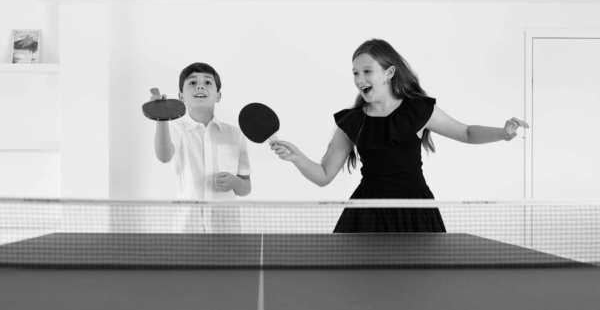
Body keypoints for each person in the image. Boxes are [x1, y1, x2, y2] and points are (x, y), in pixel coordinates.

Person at [270, 39, 528, 233]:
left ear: (389, 73)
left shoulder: (417, 111)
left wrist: (502, 134)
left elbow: (467, 132)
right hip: (367, 213)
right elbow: (324, 176)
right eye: (355, 73)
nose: (360, 79)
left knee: (420, 289)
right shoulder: (353, 122)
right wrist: (297, 157)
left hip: (416, 210)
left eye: (367, 71)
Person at [151, 62, 251, 233]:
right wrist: (161, 118)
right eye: (192, 82)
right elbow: (164, 156)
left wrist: (235, 182)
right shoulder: (175, 130)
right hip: (188, 230)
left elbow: (246, 188)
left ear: (218, 95)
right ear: (181, 96)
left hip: (227, 232)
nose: (200, 86)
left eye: (207, 82)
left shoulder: (236, 134)